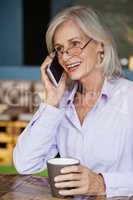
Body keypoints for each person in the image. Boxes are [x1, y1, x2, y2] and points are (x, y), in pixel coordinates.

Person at [13, 5, 133, 198]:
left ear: (100, 44)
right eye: (59, 49)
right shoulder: (61, 105)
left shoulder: (129, 97)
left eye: (75, 43)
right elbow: (26, 163)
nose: (66, 56)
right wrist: (52, 100)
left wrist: (102, 183)